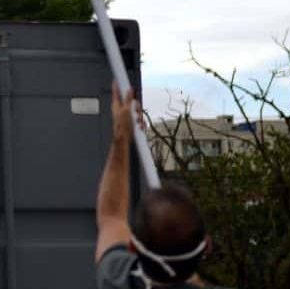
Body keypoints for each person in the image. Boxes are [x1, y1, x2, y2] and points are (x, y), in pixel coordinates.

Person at [95, 83, 226, 288]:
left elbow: (111, 216)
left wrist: (121, 136)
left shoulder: (116, 279)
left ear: (132, 247)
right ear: (207, 246)